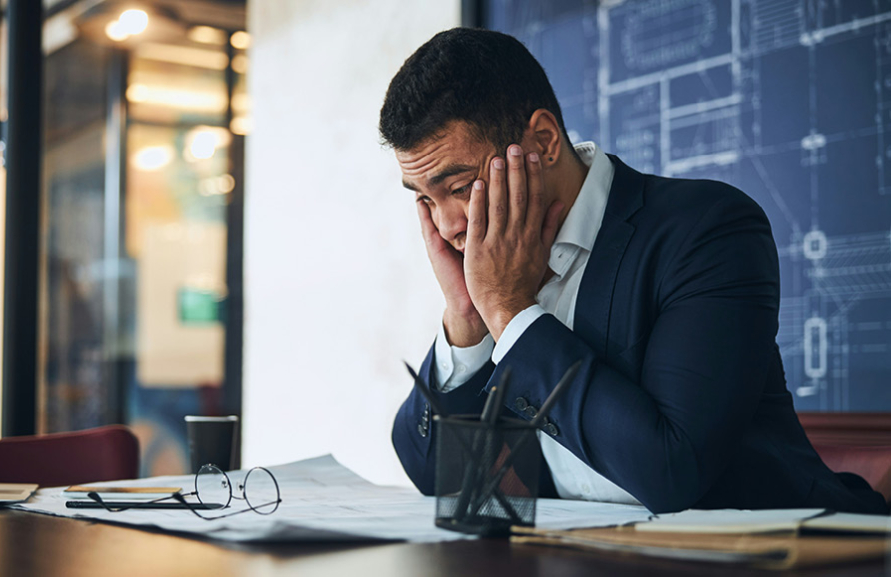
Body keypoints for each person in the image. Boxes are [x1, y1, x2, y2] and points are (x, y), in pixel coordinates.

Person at [380, 28, 888, 515]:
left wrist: (512, 313)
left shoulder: (705, 230)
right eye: (425, 199)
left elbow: (671, 471)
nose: (447, 224)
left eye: (462, 187)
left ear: (543, 141)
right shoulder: (488, 284)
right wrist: (468, 319)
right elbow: (441, 482)